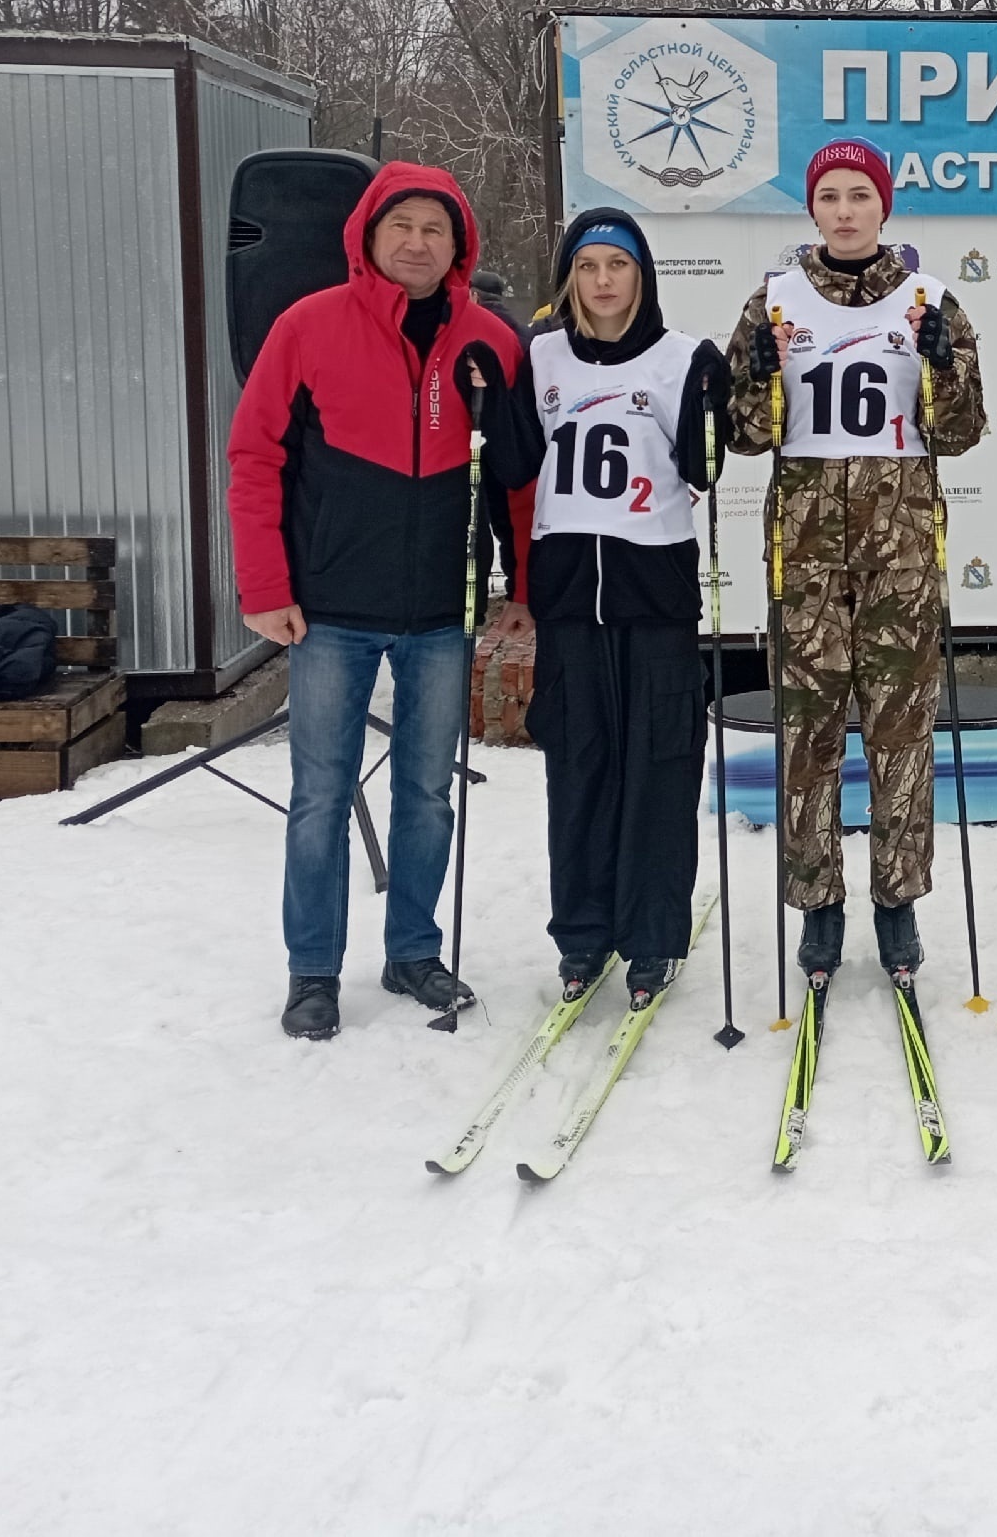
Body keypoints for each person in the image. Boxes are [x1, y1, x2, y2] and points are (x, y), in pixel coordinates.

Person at [227, 161, 530, 1040]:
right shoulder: (306, 326)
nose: (416, 242)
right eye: (401, 224)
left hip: (443, 609)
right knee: (320, 793)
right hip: (328, 610)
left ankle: (414, 952)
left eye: (435, 228)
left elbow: (517, 480)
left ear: (459, 244)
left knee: (427, 793)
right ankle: (312, 969)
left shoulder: (493, 341)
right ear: (367, 233)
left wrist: (525, 585)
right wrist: (266, 585)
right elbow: (256, 458)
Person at [724, 138, 985, 984]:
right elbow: (747, 433)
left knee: (901, 730)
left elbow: (960, 431)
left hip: (901, 547)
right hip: (802, 546)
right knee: (808, 731)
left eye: (859, 196)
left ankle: (897, 900)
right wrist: (756, 380)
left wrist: (944, 363)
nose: (844, 210)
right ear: (812, 208)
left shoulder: (927, 298)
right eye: (830, 195)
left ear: (885, 207)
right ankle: (819, 903)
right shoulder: (773, 301)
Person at [490, 209, 729, 1007]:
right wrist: (488, 397)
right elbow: (518, 462)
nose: (601, 282)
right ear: (569, 277)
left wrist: (713, 402)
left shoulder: (680, 356)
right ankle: (584, 934)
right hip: (568, 597)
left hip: (653, 589)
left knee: (659, 765)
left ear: (641, 276)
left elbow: (706, 467)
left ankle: (653, 934)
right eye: (587, 266)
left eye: (616, 267)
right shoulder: (541, 353)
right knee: (581, 765)